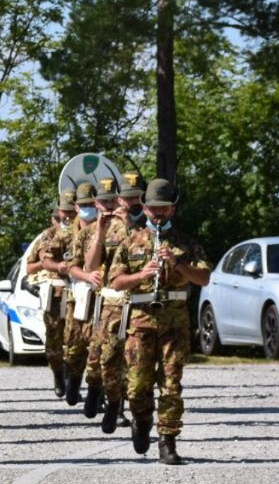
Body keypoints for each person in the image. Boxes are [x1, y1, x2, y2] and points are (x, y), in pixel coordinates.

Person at [108, 179, 211, 465]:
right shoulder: (131, 242)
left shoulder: (186, 243)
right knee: (137, 385)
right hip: (140, 323)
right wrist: (141, 276)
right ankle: (141, 420)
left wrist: (177, 263)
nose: (158, 214)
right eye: (153, 208)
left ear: (172, 210)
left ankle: (168, 440)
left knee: (171, 384)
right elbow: (115, 282)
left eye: (164, 208)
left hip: (174, 324)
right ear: (144, 208)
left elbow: (203, 278)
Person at [97, 172, 148, 433]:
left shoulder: (152, 227)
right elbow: (91, 263)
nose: (132, 203)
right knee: (108, 360)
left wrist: (130, 225)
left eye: (137, 197)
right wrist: (99, 230)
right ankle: (113, 401)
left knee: (135, 363)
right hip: (113, 304)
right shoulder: (109, 226)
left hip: (141, 303)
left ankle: (133, 410)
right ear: (119, 199)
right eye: (128, 198)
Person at [25, 189, 77, 397]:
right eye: (64, 212)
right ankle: (58, 374)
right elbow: (29, 267)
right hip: (55, 292)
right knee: (54, 339)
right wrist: (51, 264)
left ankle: (73, 378)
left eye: (72, 211)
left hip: (78, 291)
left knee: (76, 339)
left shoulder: (84, 231)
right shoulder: (47, 236)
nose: (67, 216)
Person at [62, 182, 100, 405]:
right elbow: (67, 264)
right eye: (84, 205)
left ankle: (99, 394)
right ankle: (73, 383)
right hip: (78, 297)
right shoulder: (69, 232)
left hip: (104, 299)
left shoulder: (112, 228)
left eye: (92, 204)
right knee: (74, 346)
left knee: (100, 348)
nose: (89, 209)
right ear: (76, 206)